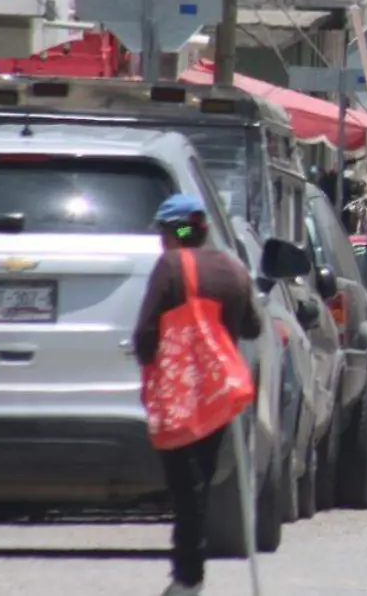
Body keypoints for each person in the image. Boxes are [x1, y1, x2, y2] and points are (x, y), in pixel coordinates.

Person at [133, 194, 264, 596]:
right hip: (220, 394)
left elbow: (145, 334)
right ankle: (188, 574)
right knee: (200, 484)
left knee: (185, 490)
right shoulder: (233, 268)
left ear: (173, 233)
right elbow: (253, 328)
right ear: (203, 227)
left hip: (180, 393)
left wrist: (152, 363)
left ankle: (188, 576)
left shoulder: (171, 266)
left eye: (164, 233)